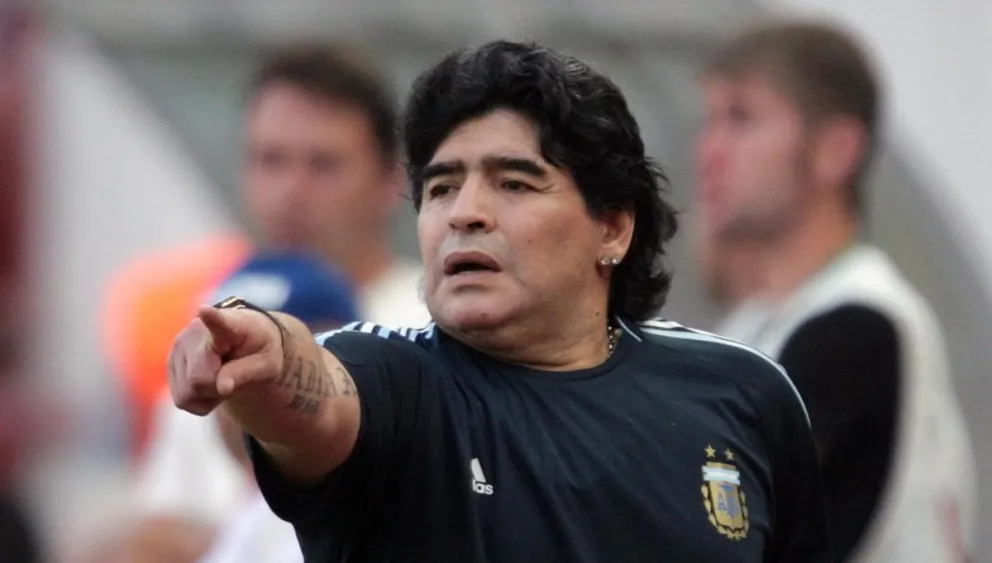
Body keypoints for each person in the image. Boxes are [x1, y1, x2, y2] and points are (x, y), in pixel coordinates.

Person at [167, 40, 830, 562]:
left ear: (614, 226)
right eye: (442, 187)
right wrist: (266, 349)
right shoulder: (398, 381)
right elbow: (314, 391)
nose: (466, 213)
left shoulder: (746, 393)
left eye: (514, 183)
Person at [694, 21, 976, 562]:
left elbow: (690, 508)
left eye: (742, 118)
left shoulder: (859, 322)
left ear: (835, 150)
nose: (710, 151)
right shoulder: (762, 320)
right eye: (710, 121)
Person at [127, 43, 430, 528]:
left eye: (323, 164)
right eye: (271, 161)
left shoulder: (435, 323)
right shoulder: (211, 320)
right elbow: (164, 518)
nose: (292, 191)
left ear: (389, 179)